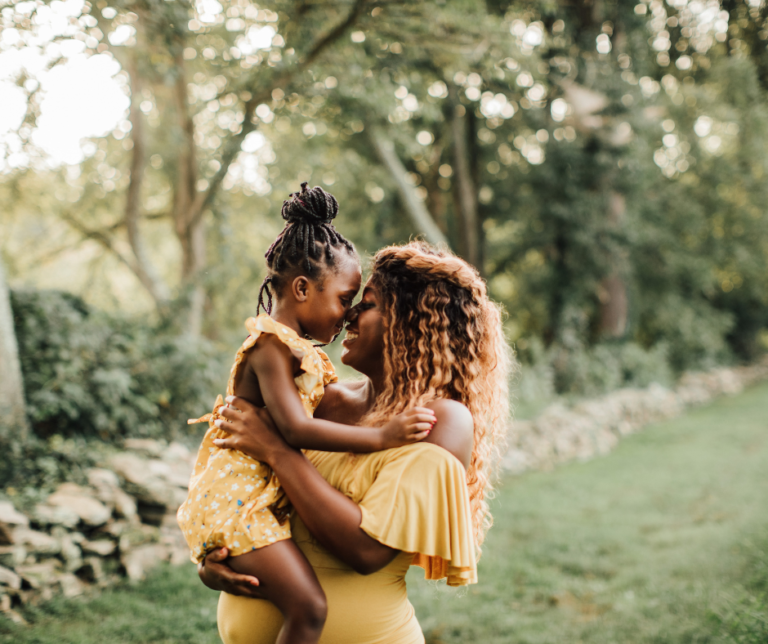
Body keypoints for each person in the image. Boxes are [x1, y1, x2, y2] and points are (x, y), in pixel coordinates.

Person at [200, 241, 514, 644]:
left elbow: (366, 551)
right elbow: (249, 490)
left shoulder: (441, 420)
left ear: (411, 323)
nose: (349, 313)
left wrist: (277, 451)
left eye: (367, 304)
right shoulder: (318, 400)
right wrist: (218, 555)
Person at [177, 187, 436, 644]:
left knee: (310, 605)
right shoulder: (271, 346)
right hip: (237, 500)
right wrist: (384, 437)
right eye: (343, 298)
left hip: (254, 501)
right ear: (302, 288)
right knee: (311, 607)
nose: (348, 313)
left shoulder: (305, 356)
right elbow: (296, 430)